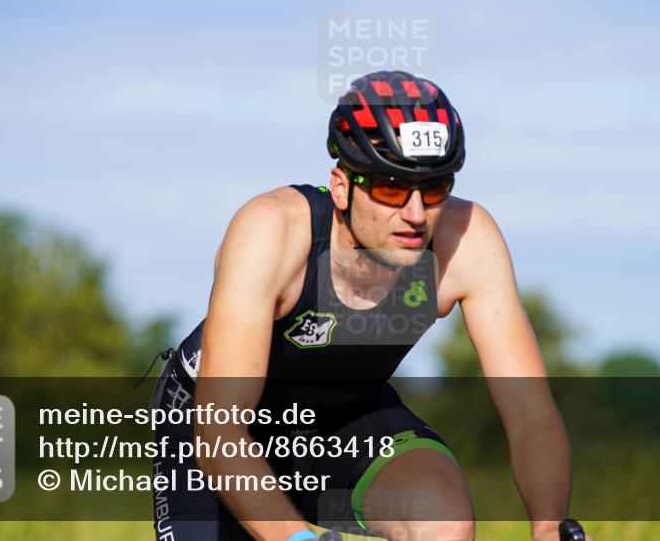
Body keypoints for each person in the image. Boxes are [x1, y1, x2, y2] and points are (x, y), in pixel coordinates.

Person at [150, 71, 589, 541]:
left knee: (444, 522)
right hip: (220, 428)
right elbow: (221, 430)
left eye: (435, 186)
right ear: (341, 186)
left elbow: (528, 410)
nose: (416, 214)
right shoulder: (271, 232)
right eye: (391, 188)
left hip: (346, 419)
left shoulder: (468, 240)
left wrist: (547, 526)